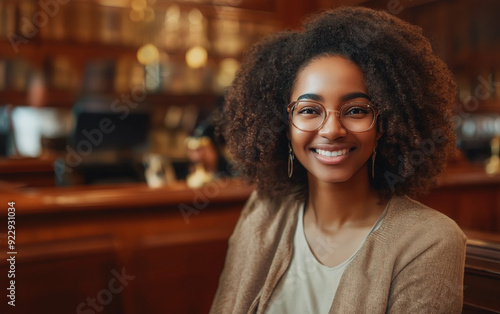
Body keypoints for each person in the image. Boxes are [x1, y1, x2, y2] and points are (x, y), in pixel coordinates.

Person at [211, 6, 466, 314]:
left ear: (387, 123)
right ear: (284, 124)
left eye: (356, 110)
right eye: (309, 110)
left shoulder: (430, 241)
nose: (332, 130)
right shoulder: (264, 211)